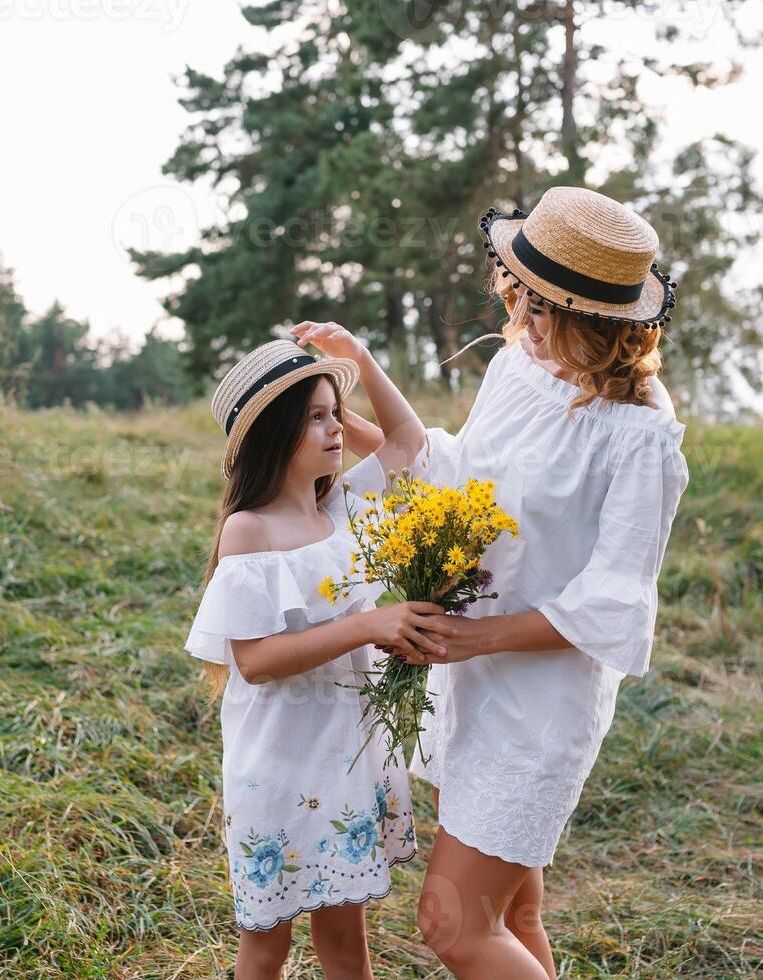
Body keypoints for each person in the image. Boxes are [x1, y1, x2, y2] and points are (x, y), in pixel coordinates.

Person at [308, 186, 691, 978]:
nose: (523, 318)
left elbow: (614, 599)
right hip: (471, 679)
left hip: (539, 704)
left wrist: (474, 636)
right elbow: (455, 477)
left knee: (452, 922)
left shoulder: (640, 437)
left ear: (603, 322)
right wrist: (345, 393)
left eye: (544, 308)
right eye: (521, 296)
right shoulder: (521, 365)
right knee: (512, 911)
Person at [184, 338, 451, 979]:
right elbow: (256, 660)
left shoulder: (345, 510)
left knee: (343, 937)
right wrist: (366, 625)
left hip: (346, 752)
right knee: (266, 941)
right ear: (275, 433)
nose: (337, 429)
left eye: (337, 412)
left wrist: (357, 352)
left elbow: (408, 441)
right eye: (316, 417)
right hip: (277, 761)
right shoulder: (250, 529)